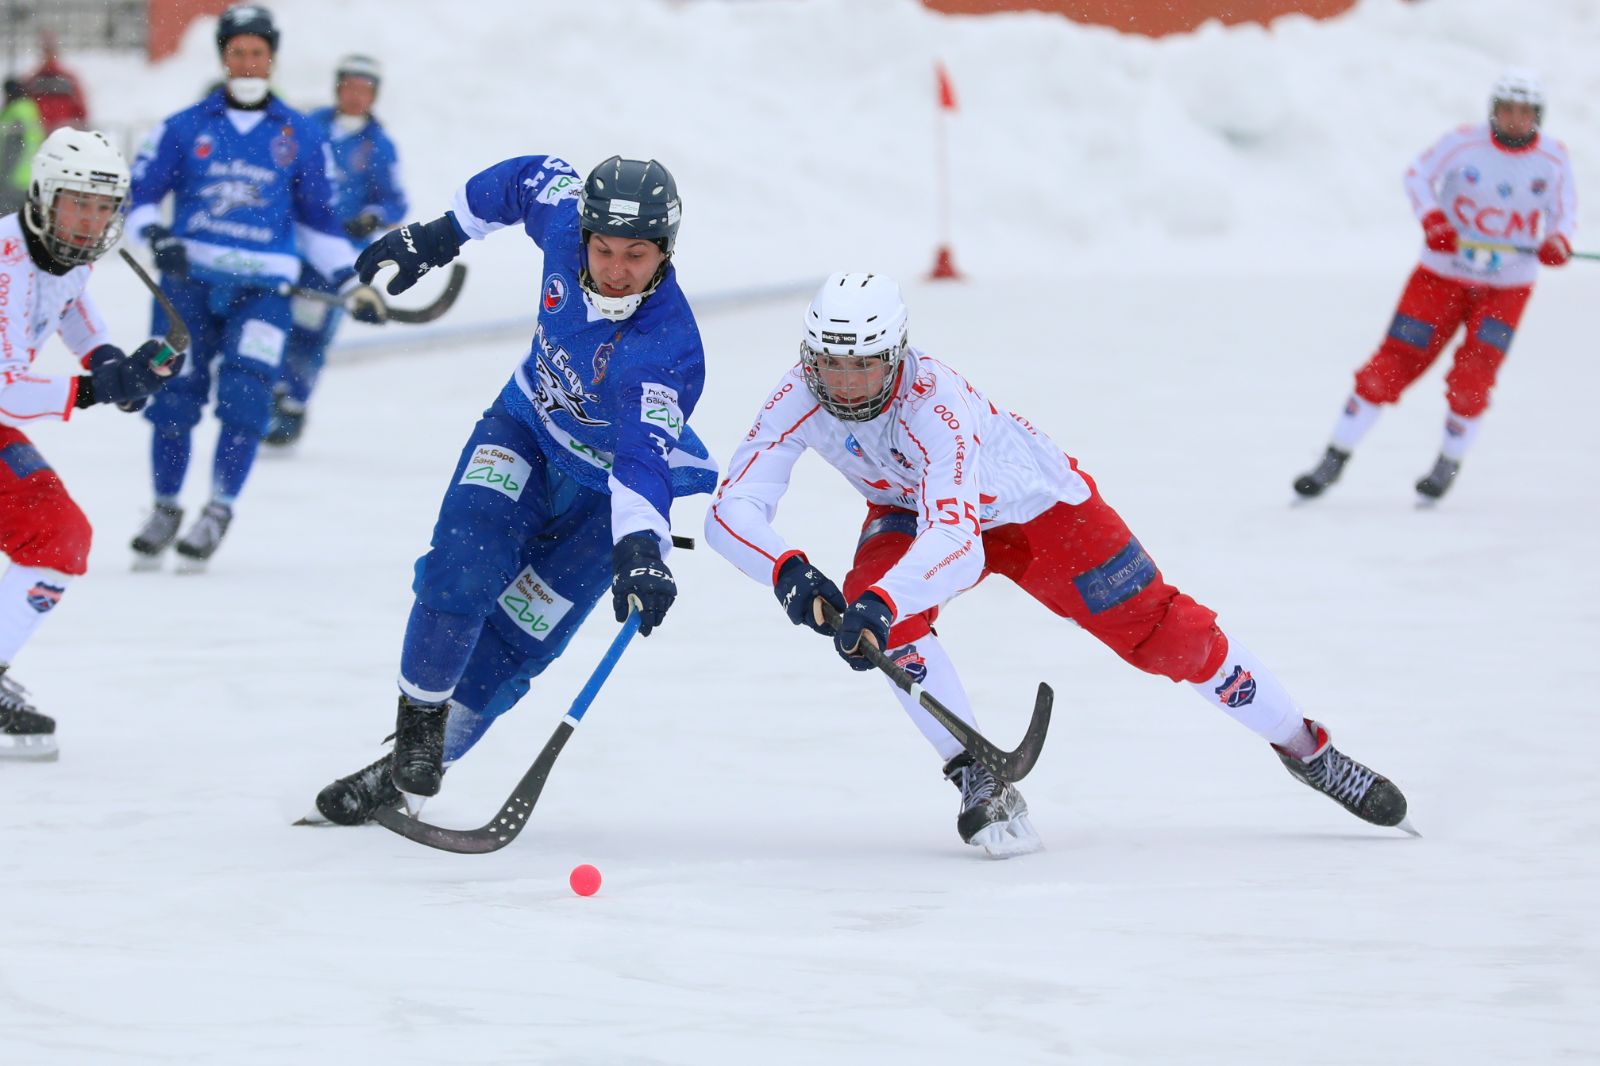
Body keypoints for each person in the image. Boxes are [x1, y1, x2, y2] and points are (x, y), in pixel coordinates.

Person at [705, 273, 1413, 858]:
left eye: (864, 366)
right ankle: (974, 774)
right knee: (878, 617)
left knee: (1168, 637)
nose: (847, 386)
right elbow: (731, 510)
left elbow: (958, 540)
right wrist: (790, 573)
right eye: (831, 363)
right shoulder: (797, 395)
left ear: (898, 355)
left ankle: (1306, 748)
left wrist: (881, 603)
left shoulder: (934, 404)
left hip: (1036, 511)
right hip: (913, 510)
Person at [310, 153, 717, 824]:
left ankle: (409, 769)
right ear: (583, 234)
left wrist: (642, 548)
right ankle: (417, 728)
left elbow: (644, 458)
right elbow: (531, 176)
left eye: (636, 256)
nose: (615, 269)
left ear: (665, 253)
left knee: (518, 640)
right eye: (604, 248)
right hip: (525, 428)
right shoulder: (564, 225)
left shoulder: (667, 346)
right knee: (460, 569)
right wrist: (443, 233)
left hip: (604, 493)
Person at [122, 4, 386, 570]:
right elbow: (139, 198)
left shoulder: (301, 134)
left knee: (246, 400)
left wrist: (351, 281)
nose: (247, 62)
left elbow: (320, 224)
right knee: (173, 398)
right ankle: (166, 505)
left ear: (272, 59)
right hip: (186, 287)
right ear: (224, 57)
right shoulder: (185, 125)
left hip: (264, 292)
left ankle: (218, 508)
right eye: (238, 52)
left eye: (258, 53)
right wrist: (156, 235)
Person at [1293, 68, 1575, 503]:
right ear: (1493, 111)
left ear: (1538, 115)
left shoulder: (1554, 159)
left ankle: (1447, 464)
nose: (1515, 119)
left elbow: (1563, 215)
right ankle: (1334, 457)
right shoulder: (1462, 143)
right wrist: (1433, 218)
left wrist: (1558, 242)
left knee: (1474, 377)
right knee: (1391, 364)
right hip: (1440, 277)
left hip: (1507, 287)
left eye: (1525, 112)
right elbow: (1417, 176)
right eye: (1507, 109)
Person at [0, 129, 185, 759]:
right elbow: (4, 390)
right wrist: (99, 387)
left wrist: (120, 368)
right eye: (79, 202)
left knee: (58, 535)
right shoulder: (5, 261)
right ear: (45, 197)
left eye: (105, 208)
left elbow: (77, 317)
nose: (91, 220)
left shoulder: (61, 255)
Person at [264, 52, 407, 448]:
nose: (355, 96)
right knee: (272, 317)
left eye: (364, 90)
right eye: (349, 87)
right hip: (294, 246)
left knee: (311, 330)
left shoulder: (379, 145)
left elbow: (395, 201)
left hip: (341, 257)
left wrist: (369, 217)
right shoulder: (311, 127)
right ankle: (267, 390)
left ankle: (293, 403)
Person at [23, 33, 89, 135]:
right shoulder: (33, 80)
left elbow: (81, 111)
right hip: (39, 134)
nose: (47, 55)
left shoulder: (68, 79)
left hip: (62, 134)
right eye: (45, 50)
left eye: (50, 50)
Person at [0, 78, 45, 216]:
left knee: (7, 223)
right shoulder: (30, 109)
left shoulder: (16, 112)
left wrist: (4, 176)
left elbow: (14, 147)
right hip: (29, 176)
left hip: (13, 178)